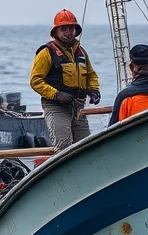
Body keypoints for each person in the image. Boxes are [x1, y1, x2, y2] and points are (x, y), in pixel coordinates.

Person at [30, 9, 101, 149]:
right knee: (63, 146)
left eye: (71, 28)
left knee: (86, 147)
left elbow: (91, 74)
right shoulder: (46, 53)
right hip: (56, 107)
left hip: (78, 107)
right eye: (63, 29)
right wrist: (56, 94)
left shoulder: (81, 52)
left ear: (76, 30)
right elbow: (35, 81)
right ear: (56, 32)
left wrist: (94, 90)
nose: (68, 32)